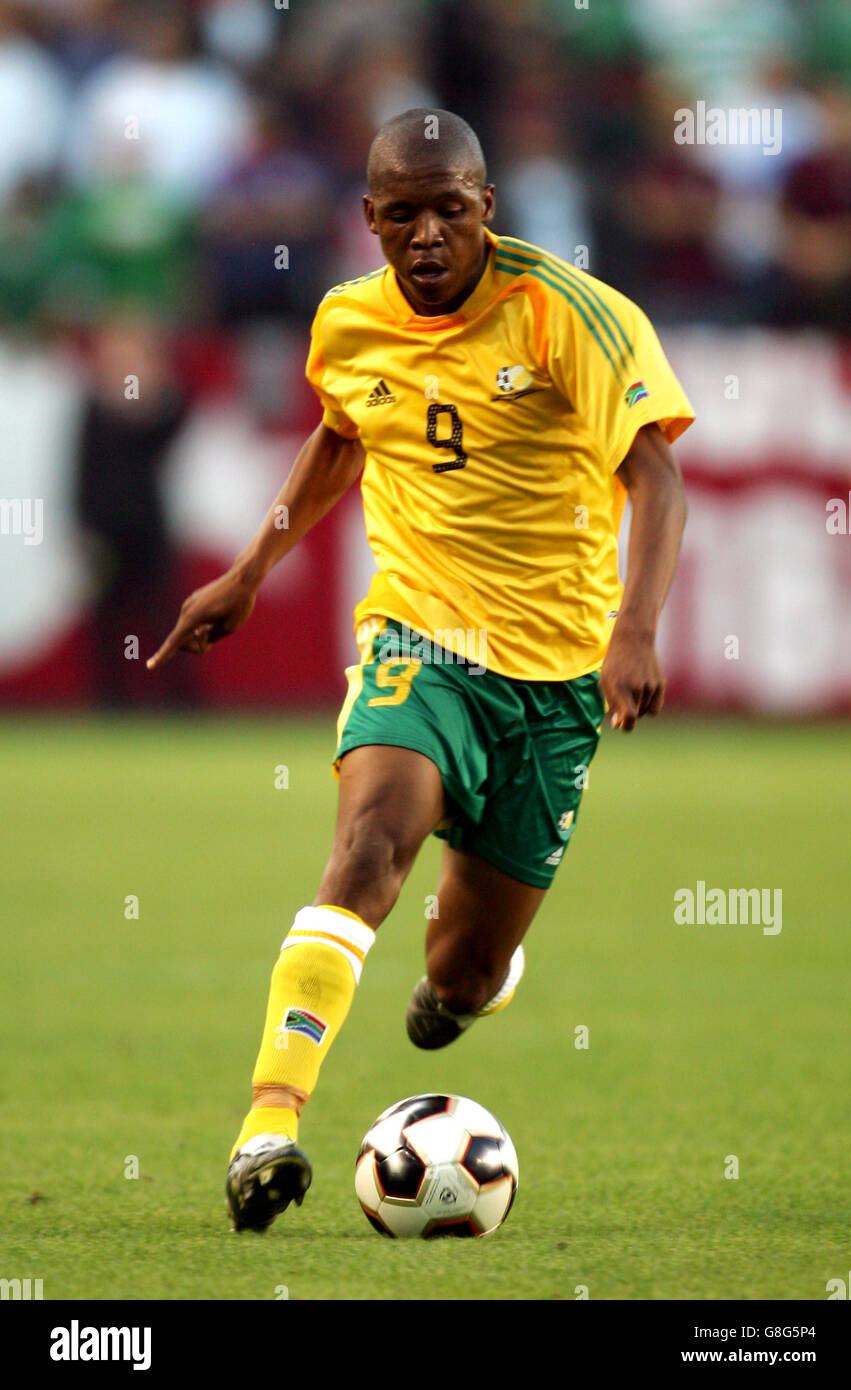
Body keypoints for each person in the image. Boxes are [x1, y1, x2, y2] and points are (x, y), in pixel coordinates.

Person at [147, 109, 693, 1234]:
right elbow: (344, 433)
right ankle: (267, 1129)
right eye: (405, 214)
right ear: (371, 221)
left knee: (461, 973)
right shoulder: (348, 319)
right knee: (363, 853)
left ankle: (466, 983)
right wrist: (251, 569)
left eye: (451, 208)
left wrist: (632, 628)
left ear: (487, 207)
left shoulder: (568, 317)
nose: (430, 233)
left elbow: (654, 470)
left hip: (553, 685)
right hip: (420, 639)